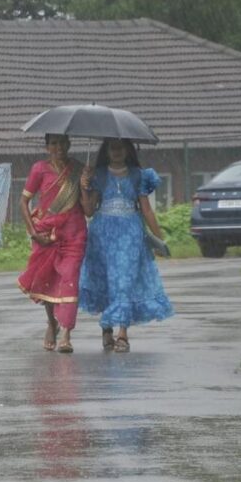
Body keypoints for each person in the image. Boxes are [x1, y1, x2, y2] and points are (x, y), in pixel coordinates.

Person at [78, 138, 173, 352]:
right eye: (113, 147)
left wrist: (159, 239)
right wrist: (84, 187)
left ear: (129, 150)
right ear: (107, 151)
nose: (118, 151)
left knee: (124, 282)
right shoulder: (98, 174)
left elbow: (146, 209)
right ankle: (107, 327)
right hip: (102, 234)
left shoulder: (140, 175)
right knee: (106, 281)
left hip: (130, 234)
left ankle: (123, 333)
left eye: (122, 147)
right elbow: (89, 210)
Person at [17, 133, 89, 353]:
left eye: (62, 143)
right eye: (53, 143)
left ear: (69, 144)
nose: (58, 147)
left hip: (74, 232)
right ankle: (52, 322)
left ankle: (66, 333)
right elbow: (24, 201)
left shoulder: (79, 169)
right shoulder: (39, 169)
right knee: (47, 278)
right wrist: (33, 233)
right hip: (46, 233)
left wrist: (85, 186)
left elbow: (88, 209)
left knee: (69, 277)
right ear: (47, 147)